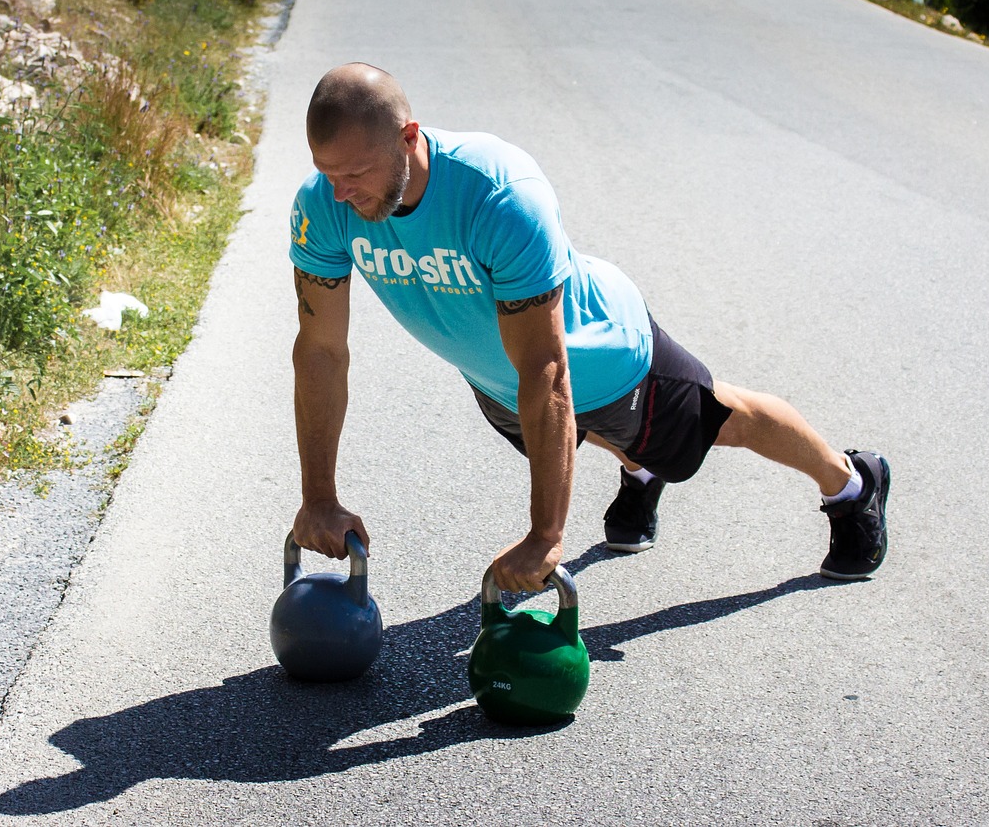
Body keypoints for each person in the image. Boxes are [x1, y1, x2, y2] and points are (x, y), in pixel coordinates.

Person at [288, 63, 890, 593]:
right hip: (500, 380)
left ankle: (851, 484)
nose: (340, 194)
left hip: (603, 356)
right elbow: (320, 352)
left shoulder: (499, 196)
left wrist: (546, 536)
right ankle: (638, 465)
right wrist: (318, 497)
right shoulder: (325, 204)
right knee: (600, 432)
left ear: (408, 137)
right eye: (327, 172)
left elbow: (548, 371)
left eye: (356, 173)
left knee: (726, 421)